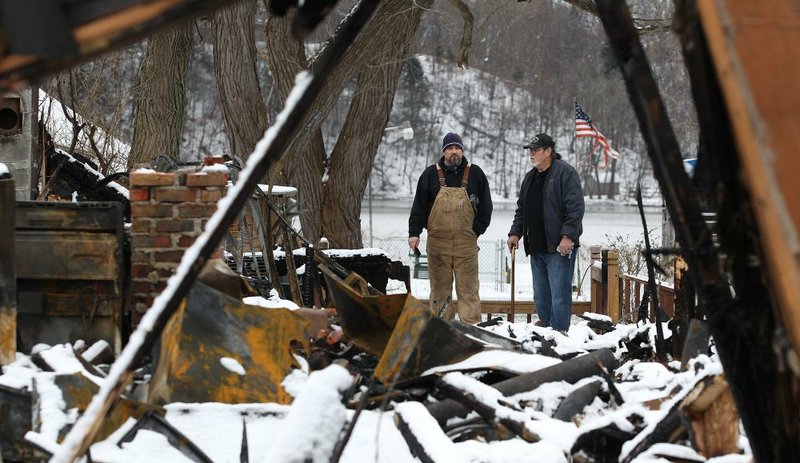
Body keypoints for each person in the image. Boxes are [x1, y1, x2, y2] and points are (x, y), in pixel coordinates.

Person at [408, 132, 493, 324]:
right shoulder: (430, 174)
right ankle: (441, 329)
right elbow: (419, 207)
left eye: (457, 148)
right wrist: (414, 233)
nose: (454, 152)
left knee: (469, 290)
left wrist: (476, 230)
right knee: (439, 291)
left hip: (466, 244)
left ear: (462, 150)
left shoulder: (475, 173)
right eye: (450, 148)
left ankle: (471, 330)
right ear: (444, 152)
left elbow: (486, 207)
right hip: (438, 244)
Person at [507, 133, 584, 333]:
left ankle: (560, 335)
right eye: (529, 150)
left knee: (559, 295)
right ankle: (545, 333)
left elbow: (575, 208)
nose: (531, 154)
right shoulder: (530, 177)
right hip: (537, 246)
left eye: (535, 150)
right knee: (541, 295)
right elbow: (522, 209)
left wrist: (567, 236)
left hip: (559, 247)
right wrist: (515, 233)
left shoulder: (565, 172)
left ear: (548, 151)